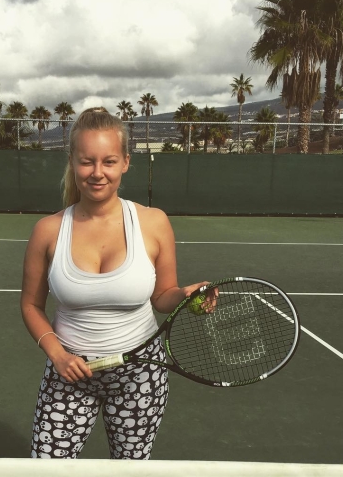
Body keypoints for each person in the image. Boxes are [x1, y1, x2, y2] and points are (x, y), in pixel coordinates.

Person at [21, 107, 216, 459]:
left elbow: (162, 295)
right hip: (69, 374)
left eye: (108, 161)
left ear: (125, 162)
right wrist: (58, 355)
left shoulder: (154, 222)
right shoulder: (47, 230)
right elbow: (31, 305)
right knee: (46, 467)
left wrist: (185, 295)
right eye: (87, 162)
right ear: (72, 162)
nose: (98, 173)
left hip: (140, 375)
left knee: (130, 469)